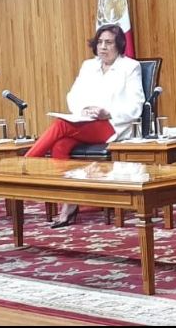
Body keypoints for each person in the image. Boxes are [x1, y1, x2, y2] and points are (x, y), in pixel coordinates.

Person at [25, 24, 145, 228]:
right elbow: (73, 95)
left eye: (108, 42)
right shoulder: (88, 66)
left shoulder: (130, 67)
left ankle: (25, 165)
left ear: (119, 45)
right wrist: (84, 109)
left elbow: (136, 105)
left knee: (61, 124)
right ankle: (69, 204)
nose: (103, 47)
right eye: (99, 42)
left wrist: (107, 112)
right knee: (60, 145)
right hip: (84, 122)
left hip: (112, 125)